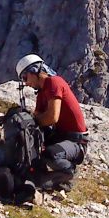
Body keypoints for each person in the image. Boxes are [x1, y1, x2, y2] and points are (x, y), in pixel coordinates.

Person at [15, 54, 89, 190]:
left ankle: (68, 173)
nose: (26, 83)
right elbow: (37, 117)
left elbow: (51, 118)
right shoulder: (42, 92)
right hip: (61, 135)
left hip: (76, 142)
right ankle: (39, 171)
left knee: (51, 154)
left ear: (35, 71)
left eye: (25, 77)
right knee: (33, 139)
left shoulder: (54, 83)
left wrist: (32, 122)